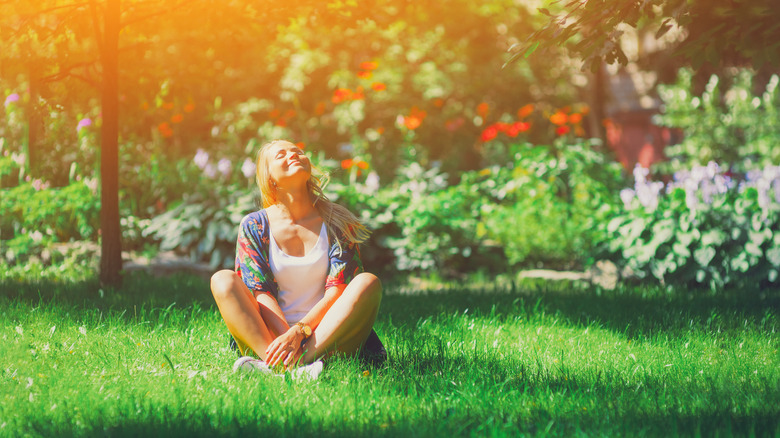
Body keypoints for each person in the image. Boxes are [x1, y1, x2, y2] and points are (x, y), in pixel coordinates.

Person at [210, 139, 384, 377]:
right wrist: (285, 338)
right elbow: (260, 292)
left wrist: (300, 332)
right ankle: (282, 363)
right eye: (281, 154)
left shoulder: (337, 221)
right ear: (269, 176)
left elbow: (338, 292)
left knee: (367, 282)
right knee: (222, 279)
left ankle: (290, 366)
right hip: (269, 336)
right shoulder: (255, 225)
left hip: (326, 334)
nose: (292, 155)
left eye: (297, 152)